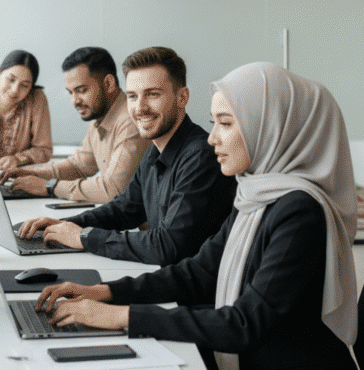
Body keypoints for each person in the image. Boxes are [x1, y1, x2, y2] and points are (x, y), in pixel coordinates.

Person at [35, 62, 364, 370]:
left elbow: (244, 323)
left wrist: (120, 316)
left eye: (226, 124)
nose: (211, 138)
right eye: (214, 122)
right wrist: (106, 291)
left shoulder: (300, 213)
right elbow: (200, 272)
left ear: (273, 125)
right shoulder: (258, 196)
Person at [18, 47, 235, 266]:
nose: (140, 108)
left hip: (190, 295)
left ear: (182, 97)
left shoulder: (200, 157)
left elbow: (169, 246)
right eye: (132, 96)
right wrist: (63, 225)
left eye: (152, 94)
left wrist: (84, 237)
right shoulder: (156, 150)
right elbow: (124, 209)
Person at [0, 47, 149, 202]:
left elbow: (112, 190)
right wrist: (33, 174)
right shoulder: (100, 119)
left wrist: (49, 186)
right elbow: (79, 166)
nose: (75, 101)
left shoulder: (130, 121)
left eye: (81, 90)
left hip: (143, 226)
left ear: (109, 84)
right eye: (71, 93)